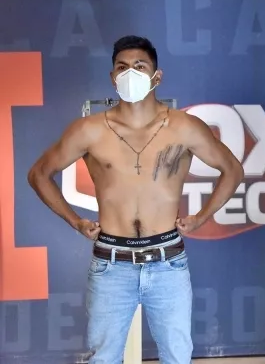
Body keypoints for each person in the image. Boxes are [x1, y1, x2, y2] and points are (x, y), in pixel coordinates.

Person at [27, 35, 244, 364]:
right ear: (113, 77)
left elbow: (232, 170)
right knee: (104, 359)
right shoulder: (89, 130)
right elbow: (39, 174)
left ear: (157, 76)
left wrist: (202, 217)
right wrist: (75, 221)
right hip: (111, 265)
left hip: (168, 262)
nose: (130, 73)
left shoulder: (184, 127)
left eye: (139, 66)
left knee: (177, 357)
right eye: (122, 67)